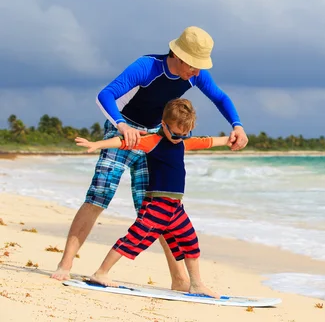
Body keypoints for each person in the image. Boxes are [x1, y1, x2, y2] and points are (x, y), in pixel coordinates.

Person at [51, 26, 248, 290]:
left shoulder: (195, 76)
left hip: (157, 135)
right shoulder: (147, 67)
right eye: (195, 65)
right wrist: (122, 125)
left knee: (160, 208)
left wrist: (237, 125)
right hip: (123, 130)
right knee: (98, 197)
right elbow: (105, 95)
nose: (198, 72)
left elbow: (220, 98)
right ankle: (65, 265)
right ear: (179, 56)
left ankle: (179, 279)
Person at [74, 98, 226, 297]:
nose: (179, 138)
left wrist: (232, 139)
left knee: (190, 241)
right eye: (175, 133)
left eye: (184, 134)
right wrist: (97, 144)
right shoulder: (153, 141)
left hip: (175, 207)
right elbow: (122, 142)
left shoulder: (182, 143)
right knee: (134, 238)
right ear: (164, 125)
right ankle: (101, 273)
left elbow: (209, 141)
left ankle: (196, 284)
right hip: (156, 205)